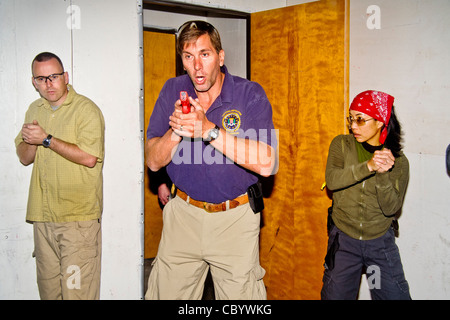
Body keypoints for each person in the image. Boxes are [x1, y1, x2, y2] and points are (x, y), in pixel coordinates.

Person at [144, 21, 276, 300]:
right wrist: (176, 131)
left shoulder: (249, 94)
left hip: (235, 219)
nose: (197, 67)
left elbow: (266, 163)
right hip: (183, 216)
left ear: (221, 56)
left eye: (205, 54)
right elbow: (153, 162)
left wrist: (207, 130)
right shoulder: (172, 89)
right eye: (188, 57)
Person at [15, 52, 105, 300]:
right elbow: (24, 157)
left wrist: (46, 139)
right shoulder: (35, 109)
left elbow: (89, 157)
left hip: (77, 220)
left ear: (65, 77)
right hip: (43, 219)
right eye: (41, 78)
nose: (48, 83)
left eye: (53, 77)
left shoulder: (86, 110)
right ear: (34, 82)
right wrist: (31, 142)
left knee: (77, 295)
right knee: (49, 294)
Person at [321, 90, 411, 300]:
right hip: (344, 244)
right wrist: (369, 166)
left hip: (378, 247)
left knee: (387, 295)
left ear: (380, 122)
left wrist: (382, 174)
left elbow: (391, 208)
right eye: (351, 119)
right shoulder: (342, 145)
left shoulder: (398, 162)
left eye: (360, 120)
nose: (353, 125)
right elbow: (333, 181)